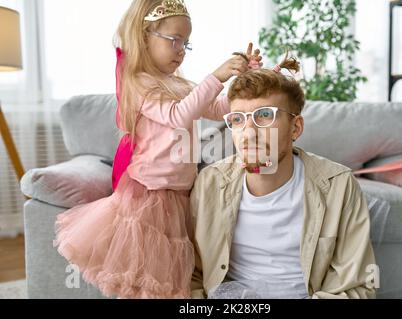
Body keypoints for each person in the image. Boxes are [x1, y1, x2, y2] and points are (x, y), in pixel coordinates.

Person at [53, 0, 261, 299]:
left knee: (170, 280)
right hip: (148, 196)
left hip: (178, 195)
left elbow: (217, 109)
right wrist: (216, 76)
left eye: (186, 44)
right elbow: (178, 116)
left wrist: (244, 81)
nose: (180, 50)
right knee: (145, 278)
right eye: (174, 40)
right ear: (144, 36)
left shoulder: (178, 84)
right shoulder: (139, 83)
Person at [190, 55, 377, 299]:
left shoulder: (338, 186)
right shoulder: (210, 183)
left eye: (265, 116)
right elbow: (190, 275)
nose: (248, 133)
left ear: (295, 128)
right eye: (238, 119)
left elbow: (359, 286)